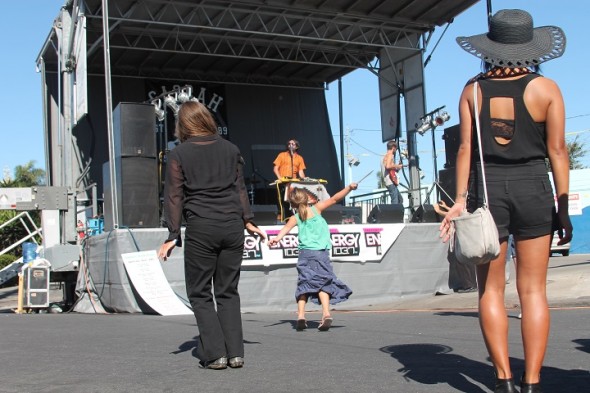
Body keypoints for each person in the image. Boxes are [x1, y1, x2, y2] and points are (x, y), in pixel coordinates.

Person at [439, 9, 572, 393]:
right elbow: (558, 151)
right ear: (530, 48)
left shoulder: (473, 90)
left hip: (488, 191)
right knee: (533, 292)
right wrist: (562, 210)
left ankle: (502, 380)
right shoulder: (547, 90)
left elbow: (464, 148)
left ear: (491, 48)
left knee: (491, 291)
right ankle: (532, 383)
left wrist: (460, 200)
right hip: (534, 188)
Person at [157, 101, 266, 370]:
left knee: (200, 292)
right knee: (228, 291)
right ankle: (236, 353)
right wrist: (248, 220)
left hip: (203, 228)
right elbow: (240, 188)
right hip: (232, 227)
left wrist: (172, 234)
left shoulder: (179, 154)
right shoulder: (231, 149)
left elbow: (174, 196)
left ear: (182, 125)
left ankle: (215, 354)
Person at [268, 183, 357, 331]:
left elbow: (284, 230)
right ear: (308, 199)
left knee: (304, 284)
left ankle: (301, 316)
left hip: (305, 255)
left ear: (293, 204)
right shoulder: (316, 210)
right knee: (323, 283)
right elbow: (335, 198)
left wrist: (276, 239)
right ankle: (326, 314)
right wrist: (349, 188)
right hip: (320, 253)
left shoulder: (295, 218)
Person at [273, 139, 307, 221]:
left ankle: (295, 218)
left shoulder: (299, 158)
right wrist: (279, 178)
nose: (290, 145)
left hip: (293, 183)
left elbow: (301, 172)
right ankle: (280, 218)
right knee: (282, 201)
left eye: (293, 144)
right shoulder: (282, 155)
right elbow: (275, 168)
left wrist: (304, 179)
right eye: (289, 144)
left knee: (294, 199)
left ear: (297, 146)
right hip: (283, 181)